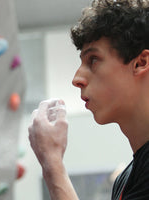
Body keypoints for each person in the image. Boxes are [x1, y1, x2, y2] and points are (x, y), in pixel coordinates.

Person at [28, 0, 149, 199]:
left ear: (140, 63)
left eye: (93, 59)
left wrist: (52, 164)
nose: (77, 79)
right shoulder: (126, 178)